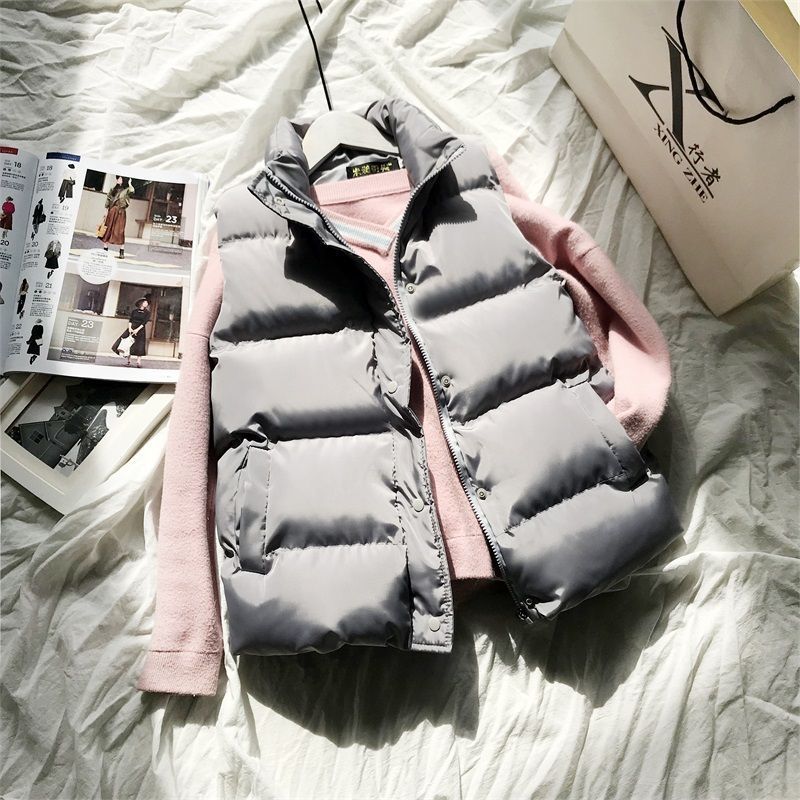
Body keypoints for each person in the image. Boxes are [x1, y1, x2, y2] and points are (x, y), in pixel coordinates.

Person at [99, 175, 134, 260]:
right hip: (112, 211)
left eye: (120, 178)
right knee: (108, 230)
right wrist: (106, 211)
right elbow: (108, 200)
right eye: (118, 178)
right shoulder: (113, 189)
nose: (118, 179)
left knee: (120, 231)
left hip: (121, 212)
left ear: (124, 180)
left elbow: (132, 191)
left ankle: (121, 252)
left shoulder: (127, 190)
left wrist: (130, 183)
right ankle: (105, 250)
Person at [111, 297, 150, 367]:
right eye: (145, 302)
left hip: (140, 330)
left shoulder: (147, 313)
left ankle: (138, 362)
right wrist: (130, 328)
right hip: (131, 328)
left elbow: (144, 322)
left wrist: (137, 330)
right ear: (141, 303)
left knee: (140, 346)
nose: (146, 304)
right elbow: (130, 320)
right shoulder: (134, 311)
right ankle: (128, 361)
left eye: (147, 302)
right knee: (128, 344)